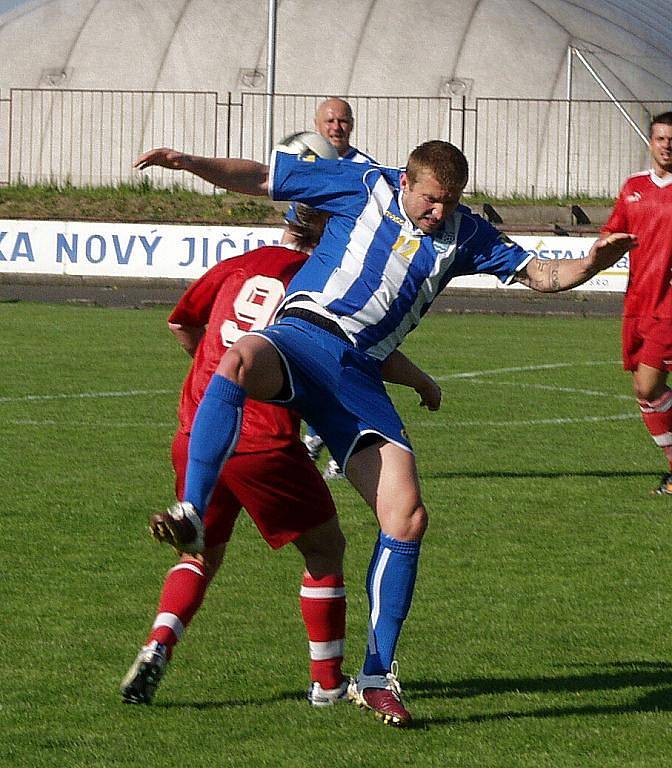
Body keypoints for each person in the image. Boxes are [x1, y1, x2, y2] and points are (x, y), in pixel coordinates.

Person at [134, 139, 635, 726]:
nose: (438, 214)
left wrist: (596, 263)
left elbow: (544, 275)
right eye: (430, 201)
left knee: (407, 515)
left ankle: (375, 675)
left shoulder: (467, 235)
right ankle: (192, 509)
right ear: (406, 182)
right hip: (301, 337)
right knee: (240, 359)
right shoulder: (362, 183)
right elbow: (263, 176)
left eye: (450, 203)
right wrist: (192, 163)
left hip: (357, 374)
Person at [121, 205, 441, 708]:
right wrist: (422, 380)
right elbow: (358, 351)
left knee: (201, 552)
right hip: (265, 442)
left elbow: (181, 325)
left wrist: (222, 371)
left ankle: (158, 644)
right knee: (324, 549)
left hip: (196, 431)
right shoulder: (320, 285)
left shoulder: (239, 264)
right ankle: (328, 683)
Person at [287, 97, 375, 479]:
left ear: (351, 125)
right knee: (312, 359)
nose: (336, 127)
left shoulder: (366, 171)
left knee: (351, 362)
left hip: (353, 284)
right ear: (316, 124)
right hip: (316, 281)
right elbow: (296, 226)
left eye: (343, 120)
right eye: (329, 120)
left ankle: (341, 444)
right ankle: (319, 437)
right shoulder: (309, 165)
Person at [601, 111, 672, 495]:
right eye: (661, 138)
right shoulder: (633, 188)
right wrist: (606, 242)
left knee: (648, 387)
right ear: (651, 141)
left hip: (669, 303)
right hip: (638, 301)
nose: (667, 145)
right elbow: (612, 230)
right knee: (643, 393)